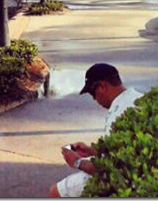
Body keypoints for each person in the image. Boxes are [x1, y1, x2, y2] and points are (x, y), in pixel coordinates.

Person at [49, 63, 143, 197]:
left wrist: (77, 162)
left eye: (93, 93)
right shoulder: (137, 98)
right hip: (145, 171)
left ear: (102, 86)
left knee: (55, 192)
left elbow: (111, 169)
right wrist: (93, 151)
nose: (94, 99)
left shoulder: (118, 115)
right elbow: (125, 149)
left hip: (129, 179)